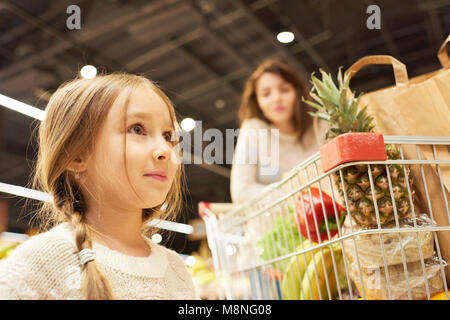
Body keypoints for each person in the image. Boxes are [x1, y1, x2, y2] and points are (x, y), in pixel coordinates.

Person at [0, 73, 198, 300]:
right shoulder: (43, 262)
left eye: (168, 136)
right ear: (75, 156)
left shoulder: (177, 270)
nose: (164, 149)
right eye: (137, 129)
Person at [230, 59, 327, 204]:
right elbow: (241, 191)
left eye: (284, 90)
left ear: (297, 93)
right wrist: (296, 195)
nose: (276, 98)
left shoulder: (320, 126)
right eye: (266, 94)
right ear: (257, 102)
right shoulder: (254, 129)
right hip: (275, 223)